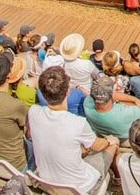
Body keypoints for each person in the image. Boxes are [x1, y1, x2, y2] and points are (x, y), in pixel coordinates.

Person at [29, 66, 119, 194]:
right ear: (67, 92)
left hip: (46, 182)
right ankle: (117, 181)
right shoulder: (77, 123)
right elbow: (99, 146)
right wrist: (109, 140)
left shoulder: (33, 112)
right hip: (80, 187)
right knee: (114, 143)